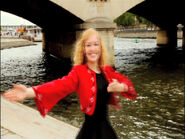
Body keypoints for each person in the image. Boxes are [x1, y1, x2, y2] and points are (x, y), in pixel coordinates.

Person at [2, 28, 138, 139]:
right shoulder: (79, 72)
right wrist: (29, 92)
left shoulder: (107, 71)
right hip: (89, 132)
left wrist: (121, 87)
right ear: (83, 49)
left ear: (101, 48)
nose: (92, 49)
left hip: (106, 130)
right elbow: (57, 85)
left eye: (96, 44)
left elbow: (128, 85)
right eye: (88, 45)